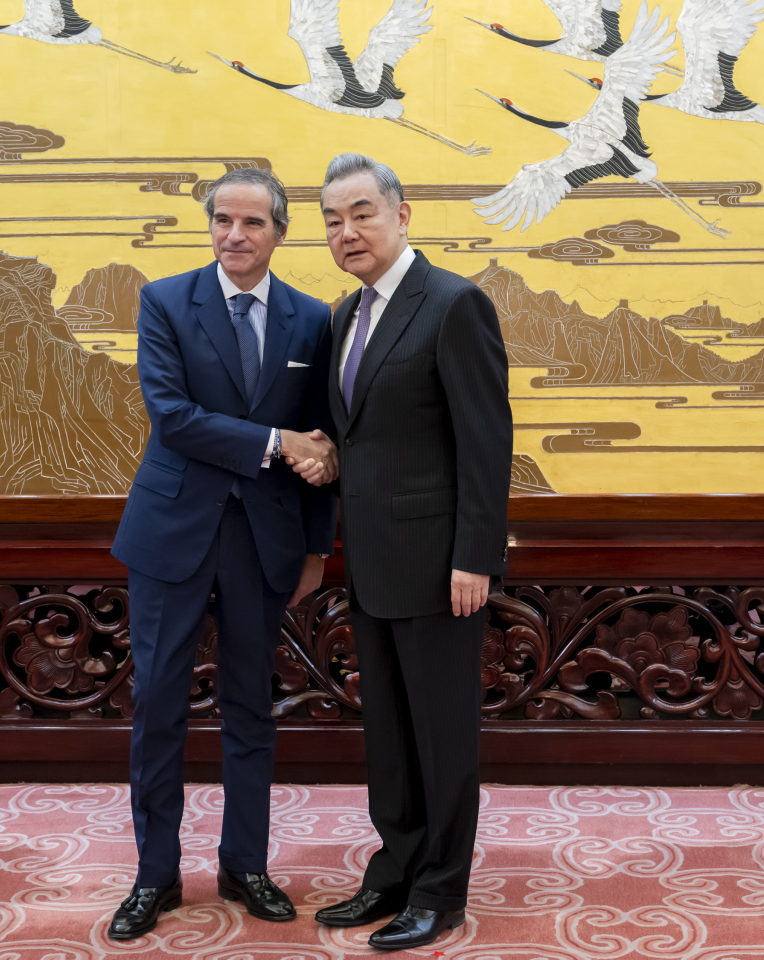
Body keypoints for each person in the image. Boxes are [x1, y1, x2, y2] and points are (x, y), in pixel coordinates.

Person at [108, 167, 339, 940]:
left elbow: (322, 447)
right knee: (158, 709)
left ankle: (247, 864)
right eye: (222, 221)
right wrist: (275, 442)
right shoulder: (166, 301)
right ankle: (155, 875)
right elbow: (172, 418)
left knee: (250, 708)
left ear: (280, 232)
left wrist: (315, 548)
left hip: (264, 542)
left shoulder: (314, 319)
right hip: (172, 536)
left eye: (252, 223)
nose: (234, 235)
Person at [308, 153, 512, 951]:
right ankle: (391, 872)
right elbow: (361, 432)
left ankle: (440, 891)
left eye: (361, 213)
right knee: (389, 734)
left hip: (439, 567)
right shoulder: (342, 316)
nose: (347, 232)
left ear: (402, 215)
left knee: (442, 735)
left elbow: (485, 443)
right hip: (369, 561)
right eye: (332, 220)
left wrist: (476, 557)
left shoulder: (454, 304)